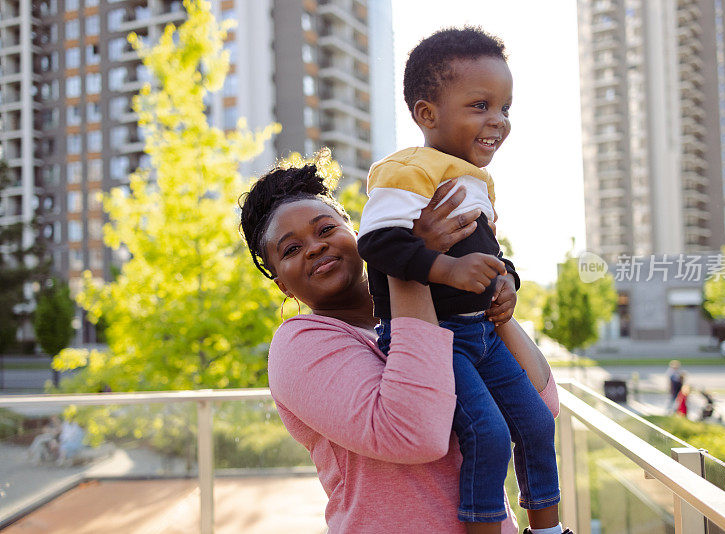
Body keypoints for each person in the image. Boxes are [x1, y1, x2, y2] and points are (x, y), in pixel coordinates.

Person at [239, 163, 561, 533]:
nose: (315, 247)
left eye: (326, 229)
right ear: (282, 284)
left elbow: (541, 406)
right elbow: (416, 434)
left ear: (356, 232)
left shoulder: (435, 311)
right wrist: (411, 260)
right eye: (292, 249)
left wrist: (495, 308)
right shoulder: (300, 344)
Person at [356, 28, 566, 534]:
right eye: (480, 105)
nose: (498, 120)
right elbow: (376, 244)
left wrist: (507, 281)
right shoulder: (405, 170)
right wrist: (447, 268)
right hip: (436, 340)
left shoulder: (478, 179)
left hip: (482, 332)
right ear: (427, 114)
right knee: (489, 435)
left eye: (505, 108)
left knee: (537, 423)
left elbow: (489, 251)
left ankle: (550, 529)